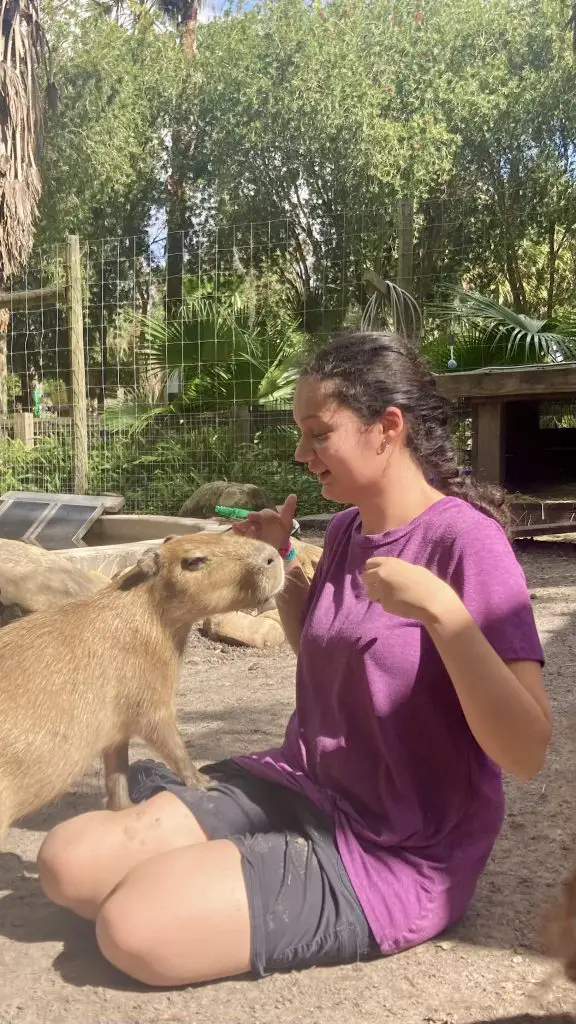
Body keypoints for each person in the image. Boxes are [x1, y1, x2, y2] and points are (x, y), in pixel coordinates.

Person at [37, 331, 551, 988]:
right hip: (303, 783)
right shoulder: (344, 531)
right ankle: (232, 860)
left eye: (317, 433)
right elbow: (332, 664)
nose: (301, 454)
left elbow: (527, 751)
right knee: (67, 862)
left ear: (386, 428)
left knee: (132, 929)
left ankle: (231, 869)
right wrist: (281, 567)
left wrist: (444, 616)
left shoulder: (467, 544)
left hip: (395, 848)